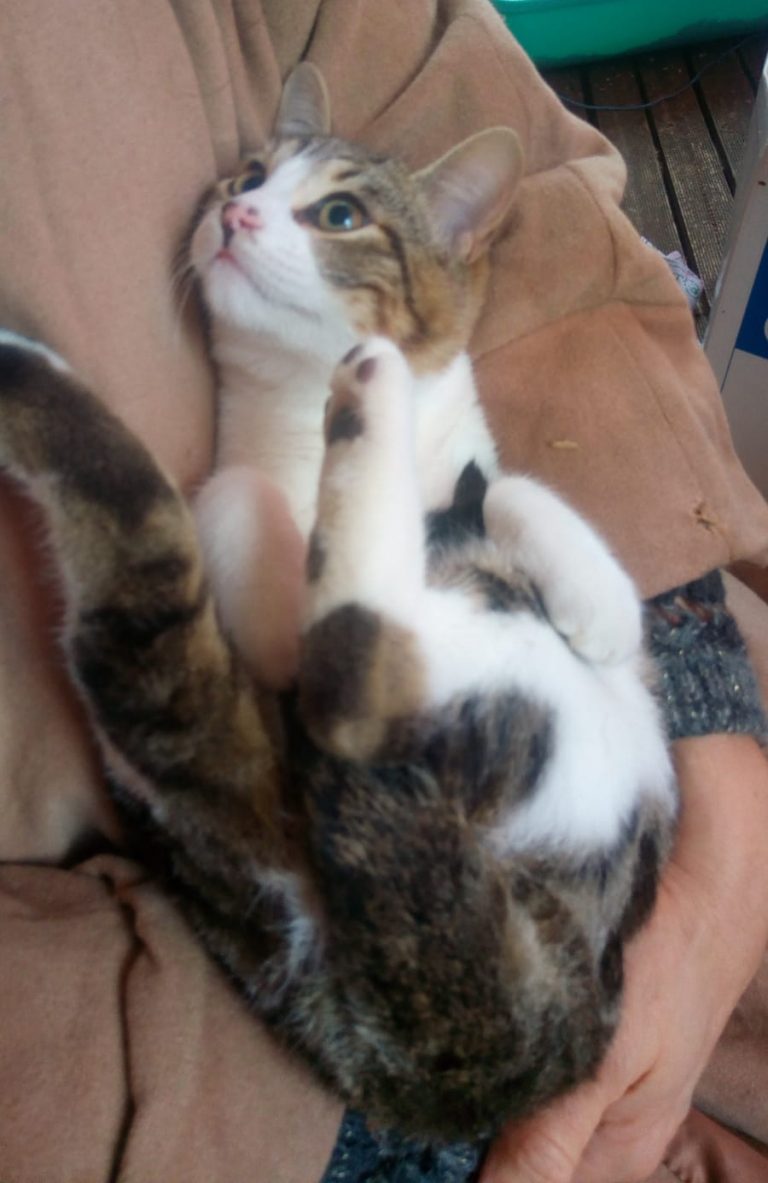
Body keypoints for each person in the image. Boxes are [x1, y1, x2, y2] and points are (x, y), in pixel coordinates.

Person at [0, 2, 767, 1181]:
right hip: (339, 973)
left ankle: (368, 661)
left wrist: (716, 766)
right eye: (247, 186)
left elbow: (486, 120)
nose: (240, 208)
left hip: (595, 811)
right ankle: (366, 662)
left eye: (327, 210)